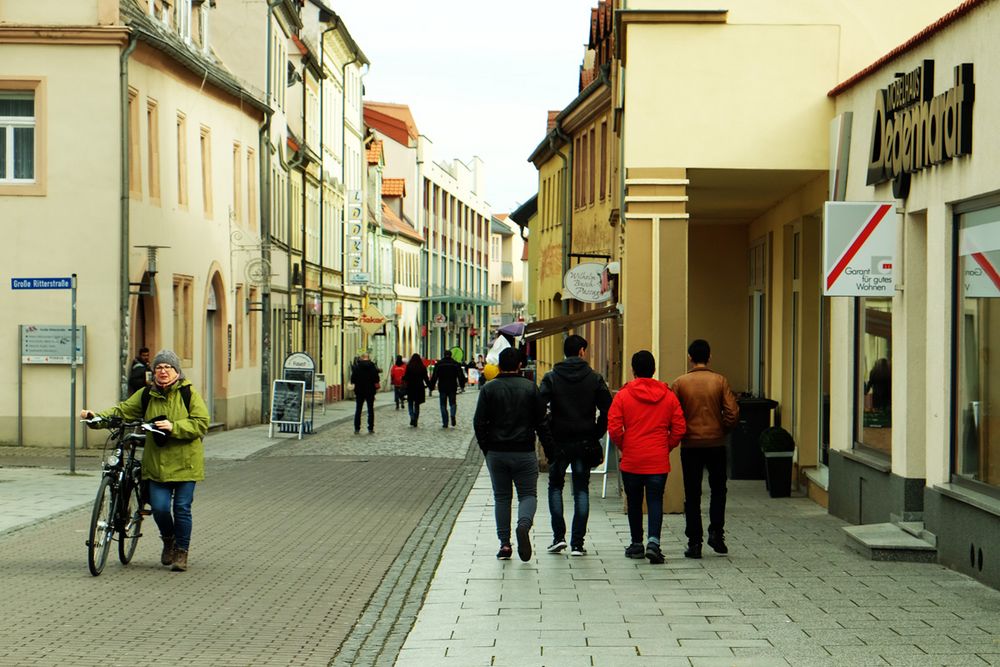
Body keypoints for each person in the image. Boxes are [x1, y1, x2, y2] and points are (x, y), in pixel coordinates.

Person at [80, 349, 209, 572]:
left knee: (181, 508)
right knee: (159, 508)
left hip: (186, 463)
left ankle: (181, 552)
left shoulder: (189, 394)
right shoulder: (146, 395)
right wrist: (95, 417)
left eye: (168, 367)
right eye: (159, 367)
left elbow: (201, 423)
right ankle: (168, 540)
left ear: (177, 371)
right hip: (156, 463)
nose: (163, 371)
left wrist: (174, 427)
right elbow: (122, 410)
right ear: (153, 372)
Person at [473, 347, 552, 562]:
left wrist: (486, 449)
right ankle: (523, 525)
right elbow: (542, 423)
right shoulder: (530, 388)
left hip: (497, 452)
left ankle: (505, 544)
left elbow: (479, 423)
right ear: (520, 365)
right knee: (528, 495)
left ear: (499, 365)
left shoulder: (489, 389)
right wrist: (550, 450)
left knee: (502, 497)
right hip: (524, 451)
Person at [608, 350, 686, 565]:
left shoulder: (623, 395)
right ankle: (654, 542)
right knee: (654, 500)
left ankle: (636, 544)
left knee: (634, 502)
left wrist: (626, 445)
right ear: (653, 370)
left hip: (632, 459)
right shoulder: (668, 396)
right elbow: (679, 428)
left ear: (633, 370)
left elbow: (614, 428)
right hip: (657, 460)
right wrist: (665, 446)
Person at [539, 334, 612, 557]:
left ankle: (558, 537)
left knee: (555, 486)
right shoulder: (594, 378)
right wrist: (596, 431)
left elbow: (539, 409)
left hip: (560, 441)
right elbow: (609, 409)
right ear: (581, 351)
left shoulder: (551, 377)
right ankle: (578, 543)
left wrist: (548, 434)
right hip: (584, 441)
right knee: (581, 489)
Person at [671, 339, 739, 559]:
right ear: (709, 357)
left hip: (690, 445)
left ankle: (694, 542)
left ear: (690, 357)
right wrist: (722, 429)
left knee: (692, 494)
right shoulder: (720, 381)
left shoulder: (680, 383)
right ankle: (716, 533)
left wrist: (681, 433)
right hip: (716, 443)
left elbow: (673, 415)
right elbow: (732, 412)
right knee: (719, 490)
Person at [429, 349, 467, 428]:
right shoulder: (455, 364)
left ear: (444, 355)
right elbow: (460, 375)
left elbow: (435, 376)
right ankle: (452, 415)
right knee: (452, 403)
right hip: (452, 386)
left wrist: (431, 386)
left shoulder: (439, 364)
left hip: (442, 387)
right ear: (451, 355)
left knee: (443, 404)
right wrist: (462, 385)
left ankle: (445, 422)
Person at [351, 352, 380, 434]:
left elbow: (353, 379)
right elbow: (376, 379)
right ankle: (370, 427)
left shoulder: (357, 367)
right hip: (370, 391)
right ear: (368, 358)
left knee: (358, 409)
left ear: (361, 358)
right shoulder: (372, 366)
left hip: (359, 391)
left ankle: (357, 428)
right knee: (370, 409)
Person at [403, 353, 429, 427]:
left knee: (410, 403)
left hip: (411, 387)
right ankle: (416, 419)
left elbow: (406, 376)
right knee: (417, 404)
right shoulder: (422, 367)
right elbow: (426, 378)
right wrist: (430, 386)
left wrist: (403, 379)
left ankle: (412, 416)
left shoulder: (409, 366)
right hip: (419, 388)